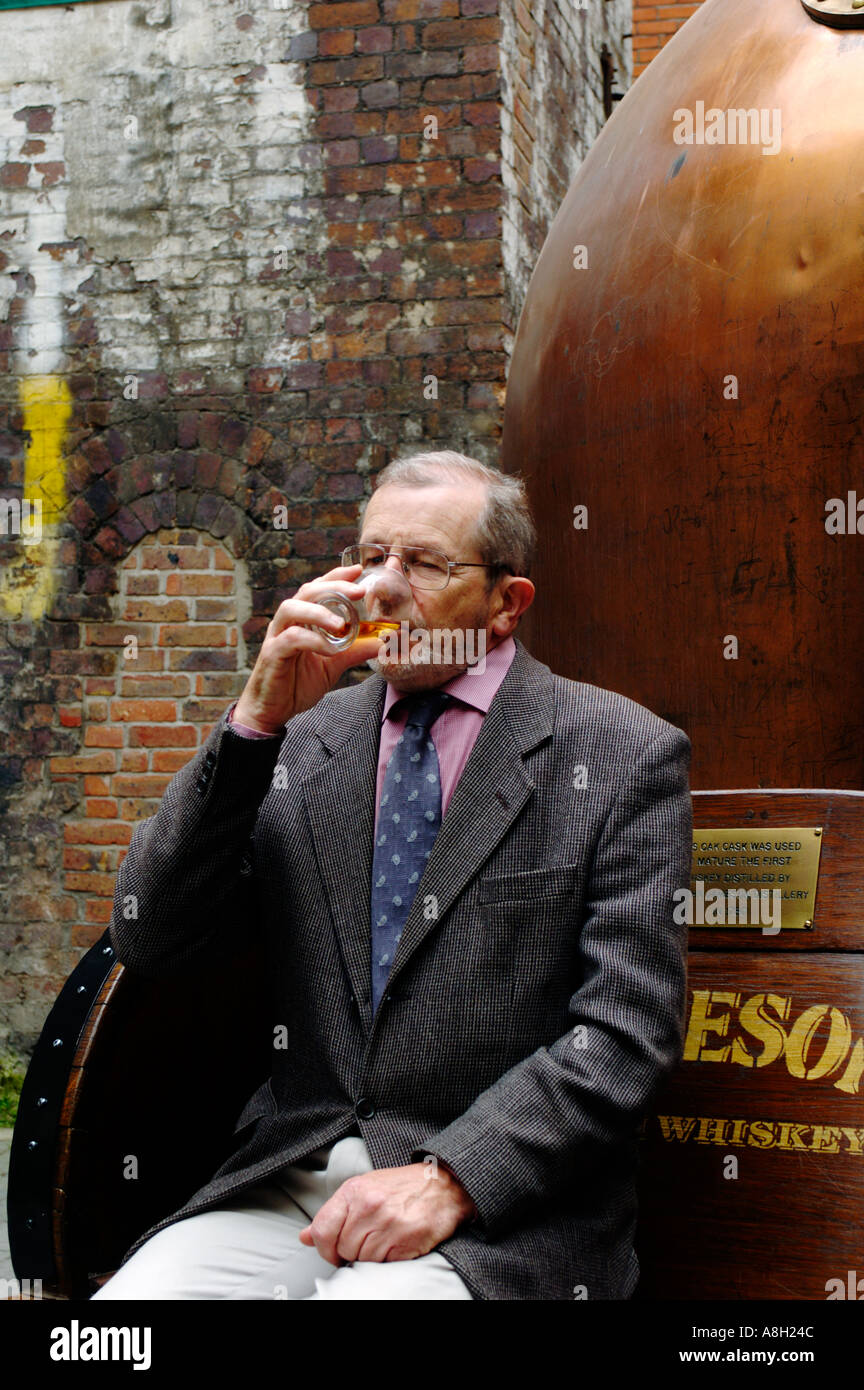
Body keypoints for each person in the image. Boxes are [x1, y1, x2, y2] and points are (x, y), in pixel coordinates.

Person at [92, 449, 692, 1301]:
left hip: (499, 1214)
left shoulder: (622, 753)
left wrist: (452, 1178)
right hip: (292, 1182)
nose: (381, 588)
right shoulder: (301, 739)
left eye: (424, 563)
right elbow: (151, 934)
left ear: (506, 604)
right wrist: (253, 724)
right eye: (372, 556)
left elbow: (628, 1032)